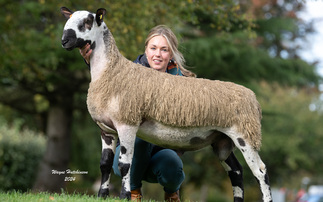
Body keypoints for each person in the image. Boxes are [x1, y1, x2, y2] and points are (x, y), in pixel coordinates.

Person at [80, 25, 196, 201]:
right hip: (128, 156)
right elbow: (107, 83)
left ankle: (172, 192)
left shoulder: (182, 82)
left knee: (172, 162)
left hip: (160, 154)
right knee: (140, 133)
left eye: (164, 50)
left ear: (170, 54)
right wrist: (90, 60)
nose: (157, 54)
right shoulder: (128, 73)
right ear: (146, 50)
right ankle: (133, 192)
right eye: (153, 48)